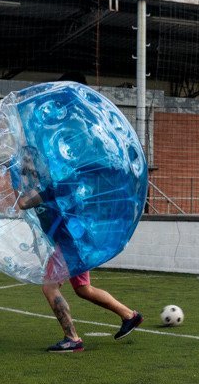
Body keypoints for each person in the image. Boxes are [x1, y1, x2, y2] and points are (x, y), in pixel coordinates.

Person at [14, 147, 142, 352]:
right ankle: (130, 315)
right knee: (83, 289)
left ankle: (72, 338)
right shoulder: (48, 183)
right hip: (75, 241)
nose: (24, 168)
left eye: (27, 164)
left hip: (69, 243)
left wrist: (16, 178)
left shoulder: (51, 186)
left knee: (49, 287)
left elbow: (22, 203)